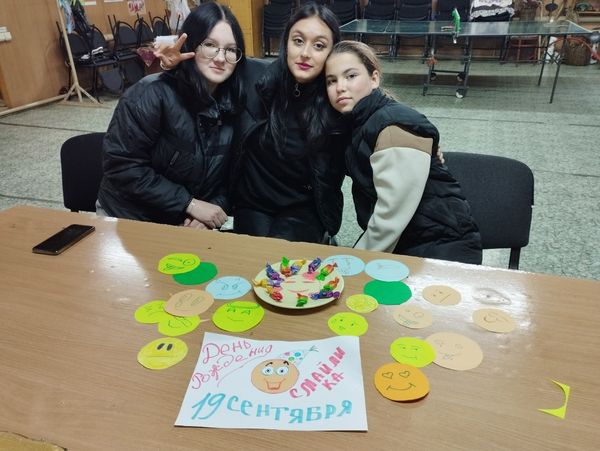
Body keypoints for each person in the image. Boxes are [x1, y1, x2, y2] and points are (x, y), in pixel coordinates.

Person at [155, 3, 346, 243]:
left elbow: (371, 109)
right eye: (298, 41)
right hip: (253, 202)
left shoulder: (337, 98)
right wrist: (172, 67)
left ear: (332, 52)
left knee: (283, 258)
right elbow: (207, 68)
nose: (306, 53)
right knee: (253, 257)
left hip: (304, 207)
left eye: (319, 45)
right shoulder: (253, 76)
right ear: (286, 42)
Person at [325, 41, 482, 264]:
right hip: (407, 242)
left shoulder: (392, 127)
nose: (340, 87)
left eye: (351, 76)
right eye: (331, 80)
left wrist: (355, 262)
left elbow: (389, 221)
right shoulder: (357, 123)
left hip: (440, 249)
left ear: (374, 78)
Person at [96, 2, 246, 229]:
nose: (220, 57)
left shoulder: (234, 104)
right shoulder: (151, 94)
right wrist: (189, 204)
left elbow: (230, 180)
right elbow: (122, 166)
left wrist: (207, 213)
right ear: (189, 45)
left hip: (182, 222)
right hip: (128, 215)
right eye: (210, 45)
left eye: (231, 49)